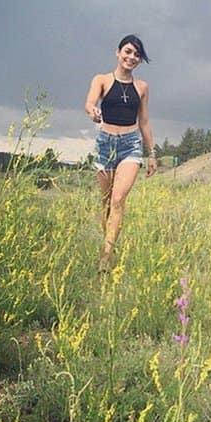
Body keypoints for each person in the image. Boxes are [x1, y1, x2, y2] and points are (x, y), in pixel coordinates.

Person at [84, 34, 157, 271]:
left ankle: (105, 258)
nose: (132, 57)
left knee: (118, 199)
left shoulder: (142, 87)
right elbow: (90, 102)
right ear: (118, 52)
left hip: (130, 145)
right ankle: (109, 246)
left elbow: (144, 121)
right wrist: (93, 111)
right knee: (106, 202)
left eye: (136, 54)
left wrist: (151, 153)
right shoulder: (102, 79)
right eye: (128, 51)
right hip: (105, 144)